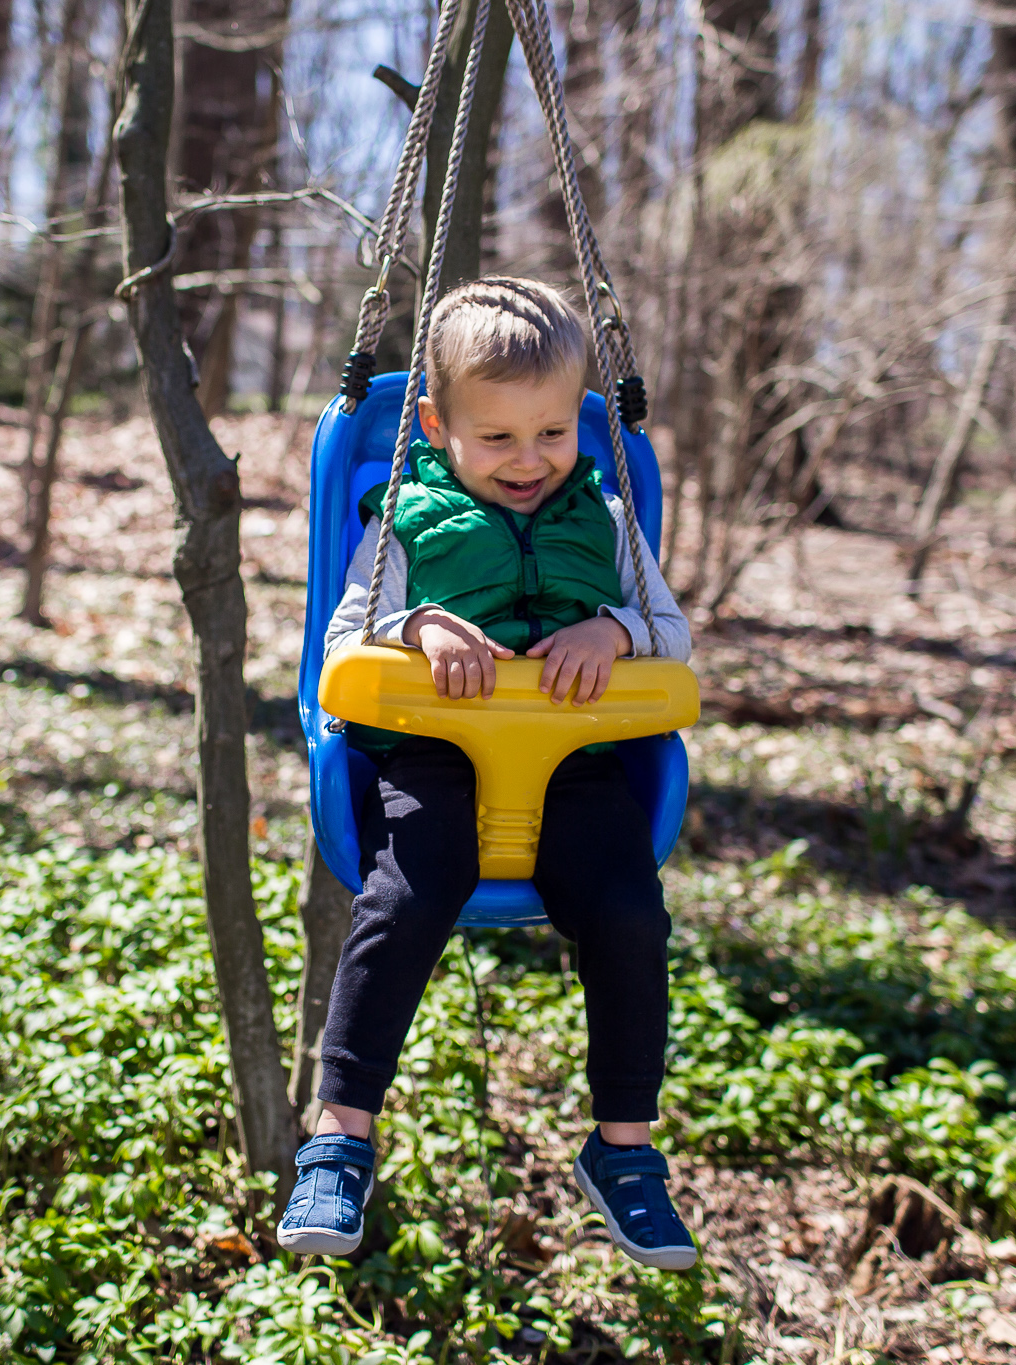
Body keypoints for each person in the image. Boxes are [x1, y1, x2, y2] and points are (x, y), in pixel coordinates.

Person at [278, 278, 698, 1270]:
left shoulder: (604, 515)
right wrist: (417, 624)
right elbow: (341, 640)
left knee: (629, 910)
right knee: (407, 892)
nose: (530, 462)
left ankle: (623, 1151)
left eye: (552, 434)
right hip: (429, 759)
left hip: (577, 772)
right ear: (434, 424)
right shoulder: (403, 518)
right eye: (498, 438)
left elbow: (670, 639)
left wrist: (615, 628)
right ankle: (339, 1134)